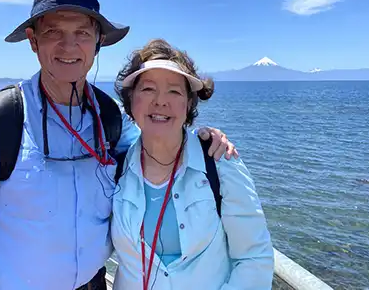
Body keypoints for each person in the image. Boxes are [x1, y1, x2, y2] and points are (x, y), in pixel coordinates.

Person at [0, 0, 238, 290]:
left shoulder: (112, 118)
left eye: (82, 34)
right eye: (53, 32)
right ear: (33, 41)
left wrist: (201, 140)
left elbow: (157, 149)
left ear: (98, 42)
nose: (69, 46)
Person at [111, 39, 274, 290]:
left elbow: (254, 257)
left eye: (174, 91)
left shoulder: (220, 163)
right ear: (130, 100)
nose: (160, 101)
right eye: (148, 89)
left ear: (189, 104)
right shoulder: (116, 168)